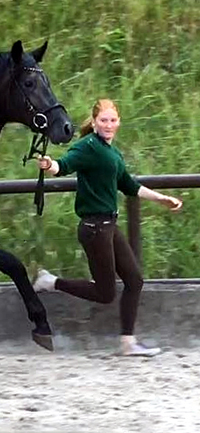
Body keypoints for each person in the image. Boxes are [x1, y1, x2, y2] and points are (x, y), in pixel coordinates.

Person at [33, 98, 183, 357]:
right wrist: (50, 165)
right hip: (94, 229)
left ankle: (128, 343)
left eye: (113, 120)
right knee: (105, 293)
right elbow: (64, 165)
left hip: (108, 226)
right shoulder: (88, 146)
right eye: (103, 120)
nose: (109, 125)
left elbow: (129, 184)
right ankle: (51, 281)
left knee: (135, 280)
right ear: (94, 122)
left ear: (119, 122)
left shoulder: (112, 152)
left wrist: (161, 199)